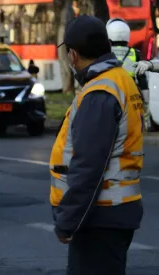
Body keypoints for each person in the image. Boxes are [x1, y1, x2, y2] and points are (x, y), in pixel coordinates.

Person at [50, 15, 143, 275]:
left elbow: (88, 166)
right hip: (116, 211)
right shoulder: (121, 80)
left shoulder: (99, 93)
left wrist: (67, 221)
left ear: (74, 55)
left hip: (101, 217)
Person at [106, 18, 150, 130]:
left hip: (110, 91)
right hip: (130, 91)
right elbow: (142, 79)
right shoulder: (135, 53)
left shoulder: (105, 53)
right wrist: (146, 102)